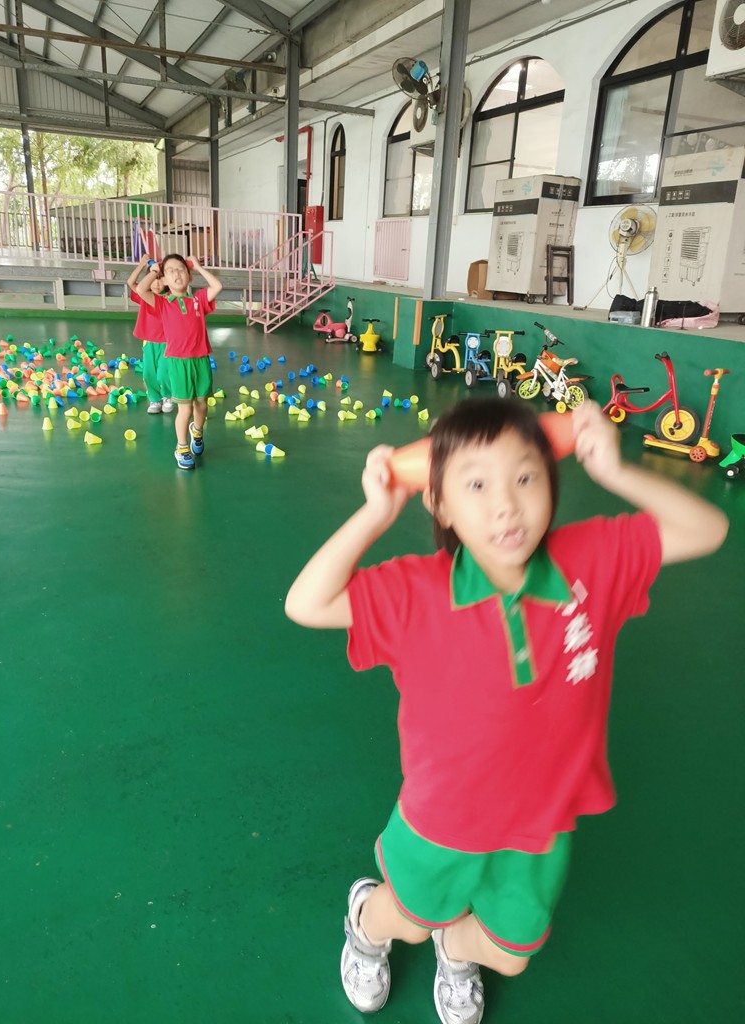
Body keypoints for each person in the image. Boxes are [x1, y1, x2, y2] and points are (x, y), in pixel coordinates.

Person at [284, 397, 728, 1024]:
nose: (506, 506)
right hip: (440, 820)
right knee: (409, 919)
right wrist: (374, 513)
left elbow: (708, 529)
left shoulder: (592, 561)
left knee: (510, 954)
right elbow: (306, 603)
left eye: (525, 477)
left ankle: (456, 949)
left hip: (542, 825)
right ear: (438, 504)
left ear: (552, 480)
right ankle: (365, 922)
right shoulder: (415, 591)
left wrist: (615, 472)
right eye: (476, 484)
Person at [137, 253, 223, 470]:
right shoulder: (162, 303)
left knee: (201, 404)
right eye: (171, 271)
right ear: (164, 279)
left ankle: (197, 432)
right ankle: (182, 447)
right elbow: (141, 290)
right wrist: (155, 270)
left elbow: (217, 286)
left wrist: (198, 267)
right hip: (177, 363)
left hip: (200, 360)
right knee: (184, 409)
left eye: (181, 269)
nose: (177, 273)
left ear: (189, 276)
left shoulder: (198, 300)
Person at [126, 254, 173, 415]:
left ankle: (167, 396)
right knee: (148, 373)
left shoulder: (170, 298)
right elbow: (131, 282)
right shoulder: (144, 296)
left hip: (167, 342)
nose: (156, 283)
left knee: (163, 372)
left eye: (160, 279)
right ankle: (155, 399)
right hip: (149, 342)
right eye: (153, 279)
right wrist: (142, 264)